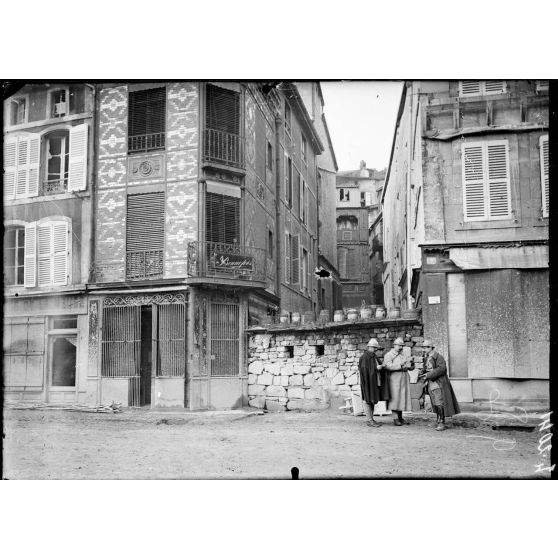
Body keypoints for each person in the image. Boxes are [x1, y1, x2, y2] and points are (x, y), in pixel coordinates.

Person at [419, 339, 460, 431]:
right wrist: (423, 372)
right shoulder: (427, 357)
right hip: (430, 383)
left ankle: (441, 422)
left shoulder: (438, 357)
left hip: (438, 383)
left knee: (439, 401)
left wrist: (429, 374)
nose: (423, 350)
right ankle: (438, 420)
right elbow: (428, 368)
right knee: (435, 402)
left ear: (430, 347)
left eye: (425, 348)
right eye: (423, 347)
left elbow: (442, 369)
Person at [358, 338, 390, 427]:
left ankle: (371, 419)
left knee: (372, 400)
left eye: (375, 348)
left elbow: (375, 367)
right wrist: (377, 368)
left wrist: (382, 366)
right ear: (369, 347)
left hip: (374, 381)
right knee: (367, 400)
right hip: (368, 382)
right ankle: (369, 420)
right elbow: (365, 371)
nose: (375, 349)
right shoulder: (364, 357)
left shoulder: (373, 356)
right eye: (374, 348)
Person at [383, 337, 413, 425]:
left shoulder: (403, 354)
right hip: (394, 379)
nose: (400, 347)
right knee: (395, 398)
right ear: (394, 345)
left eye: (402, 346)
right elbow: (388, 366)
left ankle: (400, 417)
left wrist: (412, 364)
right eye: (399, 346)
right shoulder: (389, 355)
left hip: (403, 378)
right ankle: (395, 419)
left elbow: (409, 367)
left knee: (402, 398)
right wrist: (400, 364)